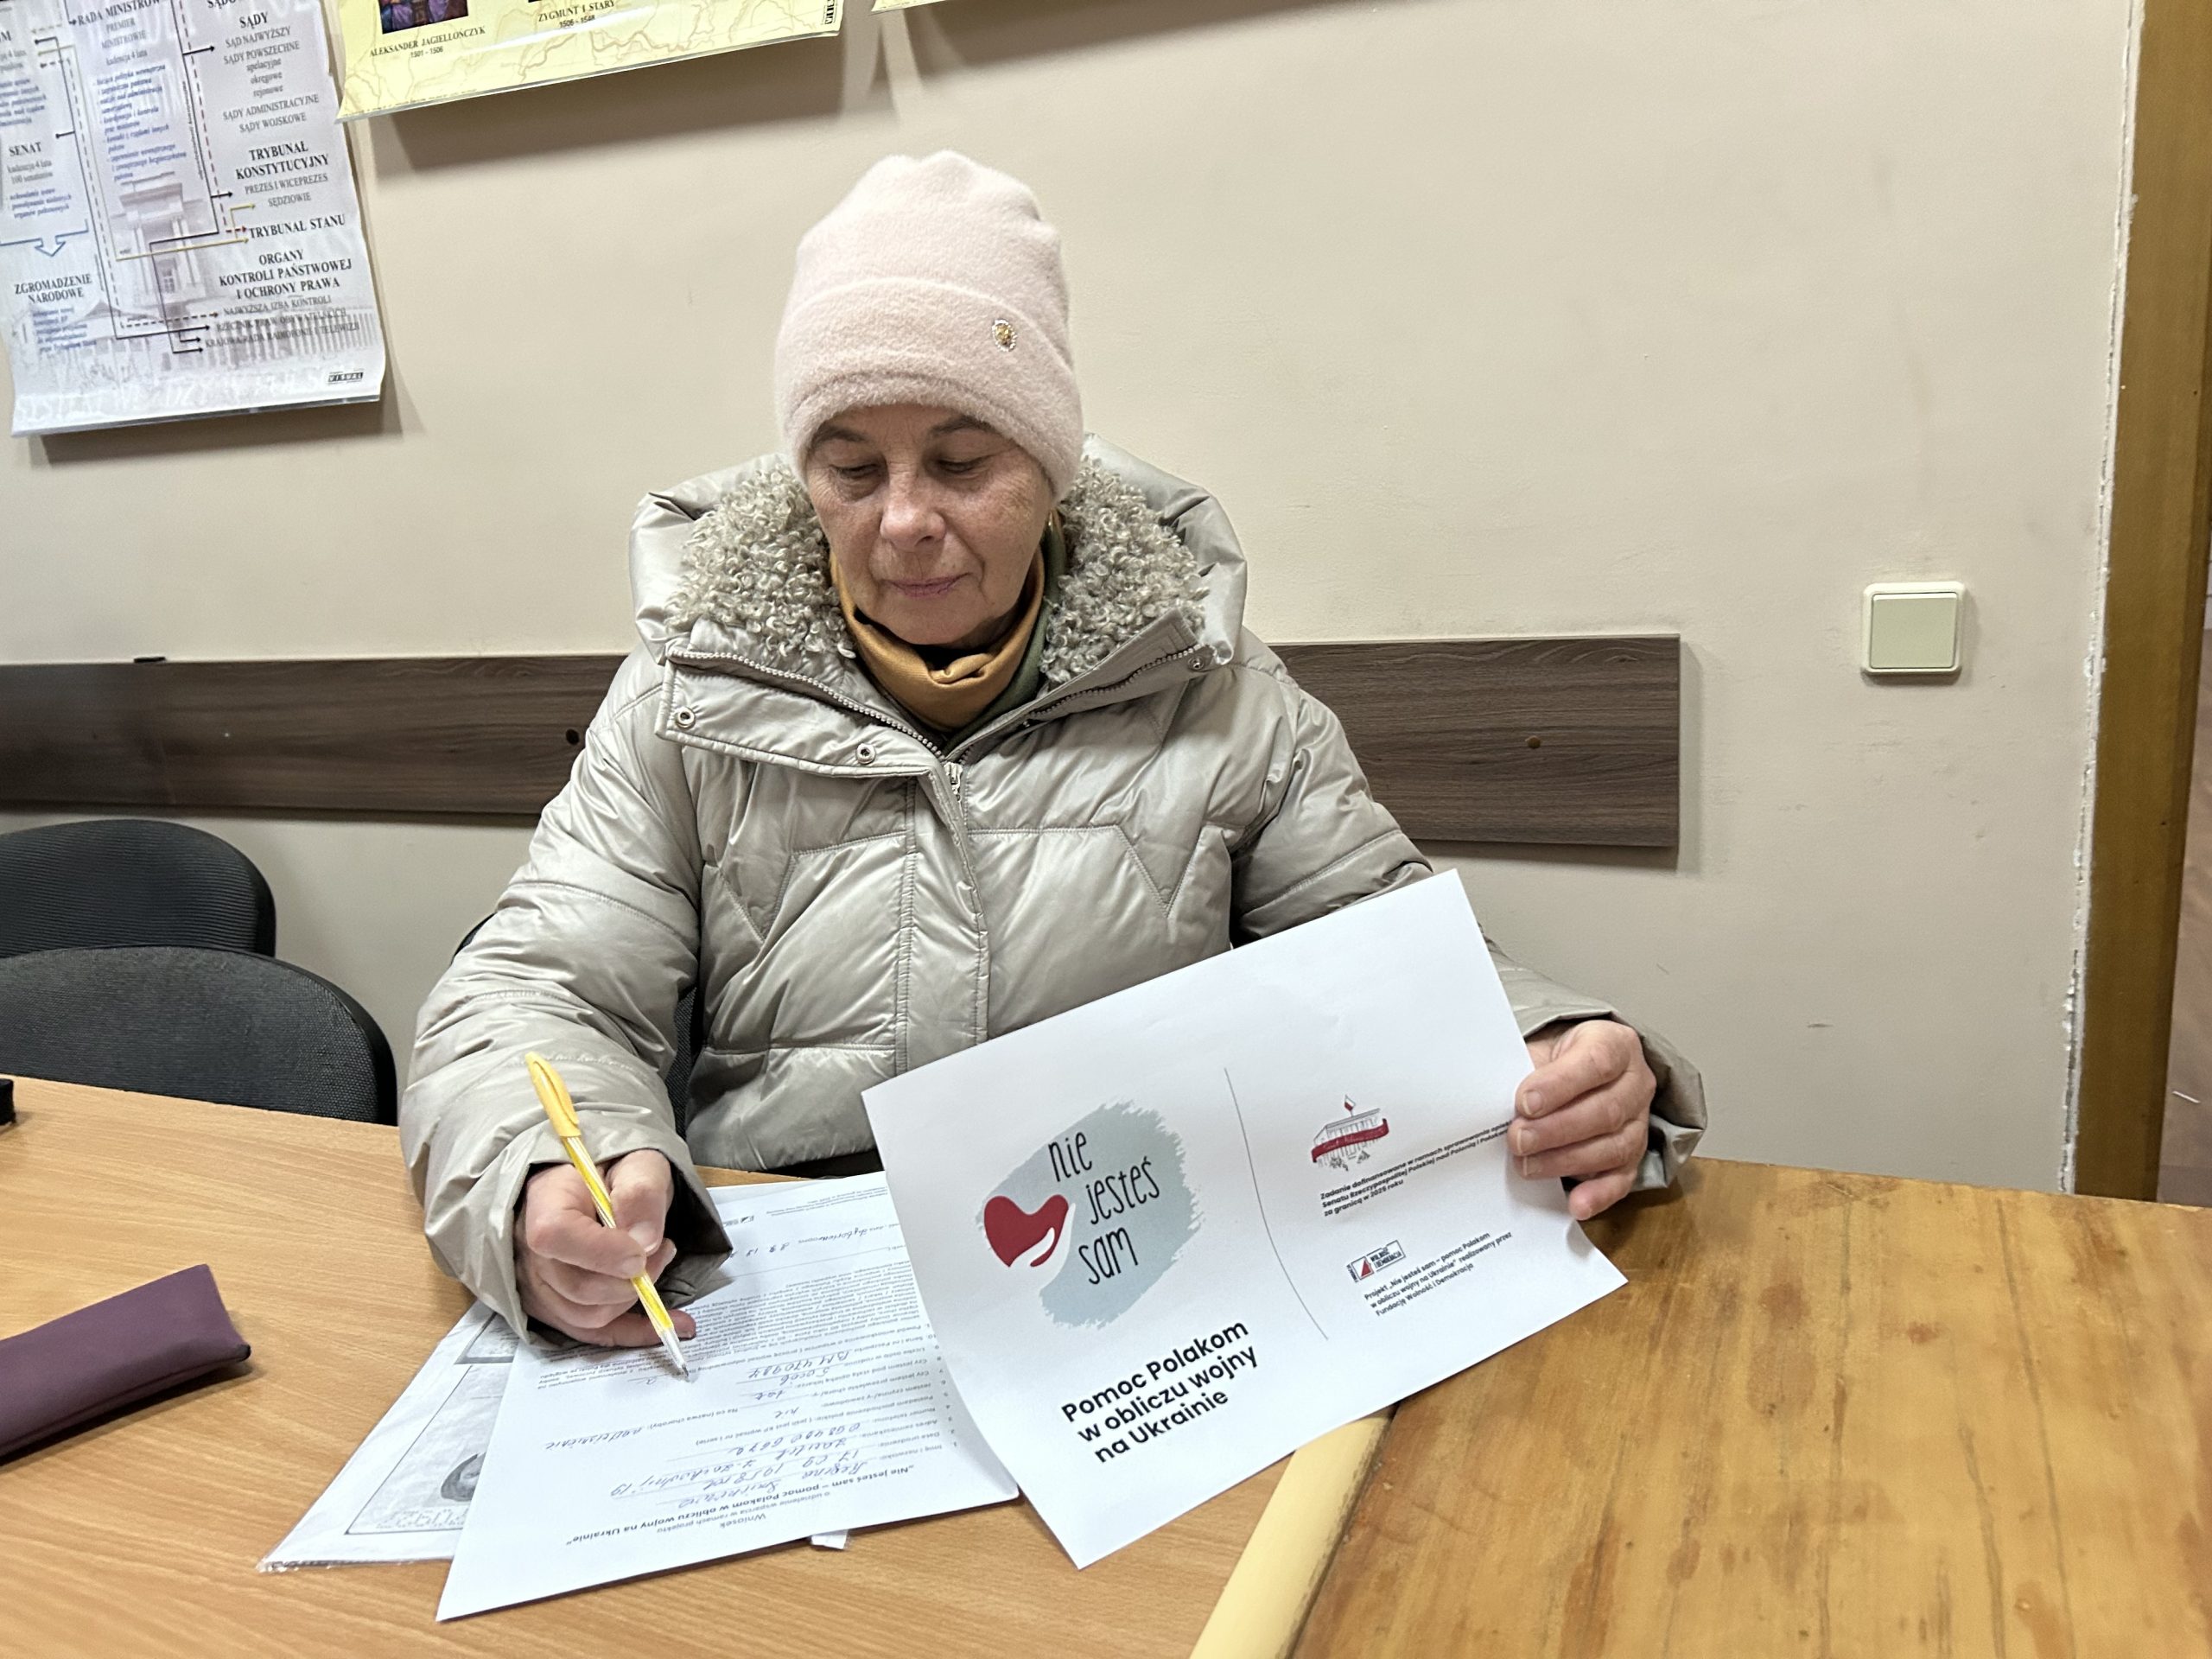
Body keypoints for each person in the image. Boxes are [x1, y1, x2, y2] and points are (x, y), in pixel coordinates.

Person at [400, 152, 1707, 1350]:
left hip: (1145, 1287)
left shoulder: (1217, 690)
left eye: (962, 462)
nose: (904, 522)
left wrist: (1558, 1049)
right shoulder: (681, 699)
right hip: (791, 1299)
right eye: (851, 471)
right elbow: (539, 991)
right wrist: (541, 1171)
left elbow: (1391, 950)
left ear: (1051, 462)